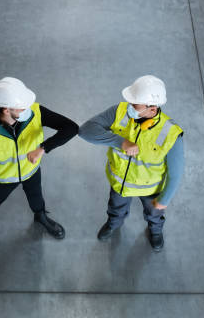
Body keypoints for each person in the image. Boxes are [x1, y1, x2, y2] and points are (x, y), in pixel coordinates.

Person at [0, 77, 78, 255]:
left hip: (31, 171)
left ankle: (40, 216)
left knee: (36, 196)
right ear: (6, 109)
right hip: (2, 179)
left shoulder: (35, 112)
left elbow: (71, 128)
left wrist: (43, 148)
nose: (27, 109)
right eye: (21, 107)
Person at [78, 75, 184, 251]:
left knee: (154, 215)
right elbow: (85, 131)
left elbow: (176, 173)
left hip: (151, 190)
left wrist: (164, 200)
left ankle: (155, 231)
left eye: (135, 104)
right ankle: (113, 224)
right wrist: (120, 142)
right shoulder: (119, 112)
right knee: (115, 208)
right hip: (120, 184)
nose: (130, 107)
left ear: (152, 108)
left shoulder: (171, 134)